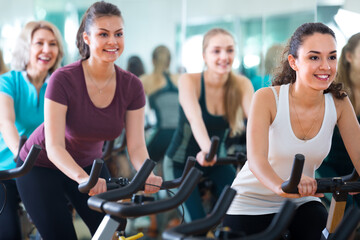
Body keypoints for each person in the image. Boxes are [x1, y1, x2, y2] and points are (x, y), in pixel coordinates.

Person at [15, 2, 162, 239]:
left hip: (88, 164)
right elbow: (54, 147)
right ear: (87, 38)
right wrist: (84, 179)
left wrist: (146, 172)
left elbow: (136, 146)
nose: (113, 41)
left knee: (111, 232)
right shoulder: (63, 79)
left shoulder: (132, 86)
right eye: (103, 34)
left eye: (119, 34)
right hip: (40, 166)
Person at [223, 22, 360, 240]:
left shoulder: (339, 104)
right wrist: (282, 186)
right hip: (251, 202)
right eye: (314, 57)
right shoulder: (268, 98)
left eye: (332, 57)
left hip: (300, 201)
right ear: (293, 62)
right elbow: (257, 160)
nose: (326, 66)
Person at [163, 28, 254, 222]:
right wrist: (207, 150)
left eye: (229, 50)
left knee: (243, 213)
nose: (224, 56)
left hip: (216, 163)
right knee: (197, 224)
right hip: (181, 165)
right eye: (216, 51)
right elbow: (196, 120)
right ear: (204, 55)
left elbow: (256, 123)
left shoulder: (242, 84)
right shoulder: (189, 81)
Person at [0, 20, 63, 240]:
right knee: (9, 234)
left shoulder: (58, 85)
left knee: (54, 230)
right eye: (40, 43)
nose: (47, 50)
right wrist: (22, 157)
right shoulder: (7, 82)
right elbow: (6, 122)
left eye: (53, 44)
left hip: (41, 171)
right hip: (5, 173)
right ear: (26, 47)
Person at [316, 32, 360, 207]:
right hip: (327, 167)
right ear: (349, 56)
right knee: (347, 211)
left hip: (355, 167)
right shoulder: (334, 93)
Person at [140, 45, 179, 162]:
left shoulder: (145, 80)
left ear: (152, 61)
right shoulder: (180, 79)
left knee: (141, 163)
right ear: (169, 61)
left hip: (161, 134)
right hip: (180, 136)